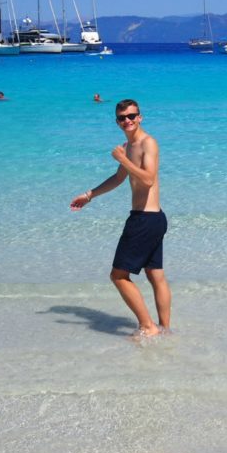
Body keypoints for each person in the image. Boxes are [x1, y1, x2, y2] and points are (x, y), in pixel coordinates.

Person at [70, 99, 170, 338]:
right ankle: (165, 329)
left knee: (118, 275)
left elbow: (147, 179)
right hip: (152, 219)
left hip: (145, 220)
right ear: (117, 121)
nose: (127, 121)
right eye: (122, 118)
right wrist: (89, 195)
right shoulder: (128, 146)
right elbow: (118, 179)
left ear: (140, 117)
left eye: (132, 116)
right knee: (155, 275)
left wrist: (124, 159)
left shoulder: (149, 143)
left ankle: (148, 327)